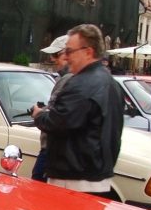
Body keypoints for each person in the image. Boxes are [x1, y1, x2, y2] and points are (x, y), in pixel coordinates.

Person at [32, 24, 123, 198]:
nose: (66, 57)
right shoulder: (112, 83)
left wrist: (39, 115)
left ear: (88, 52)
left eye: (69, 51)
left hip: (74, 178)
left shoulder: (80, 84)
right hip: (97, 174)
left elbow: (58, 122)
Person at [31, 34, 72, 182]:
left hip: (52, 149)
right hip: (64, 153)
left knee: (36, 189)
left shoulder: (68, 79)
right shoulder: (85, 79)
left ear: (68, 54)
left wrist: (38, 114)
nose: (52, 59)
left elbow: (55, 118)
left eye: (56, 54)